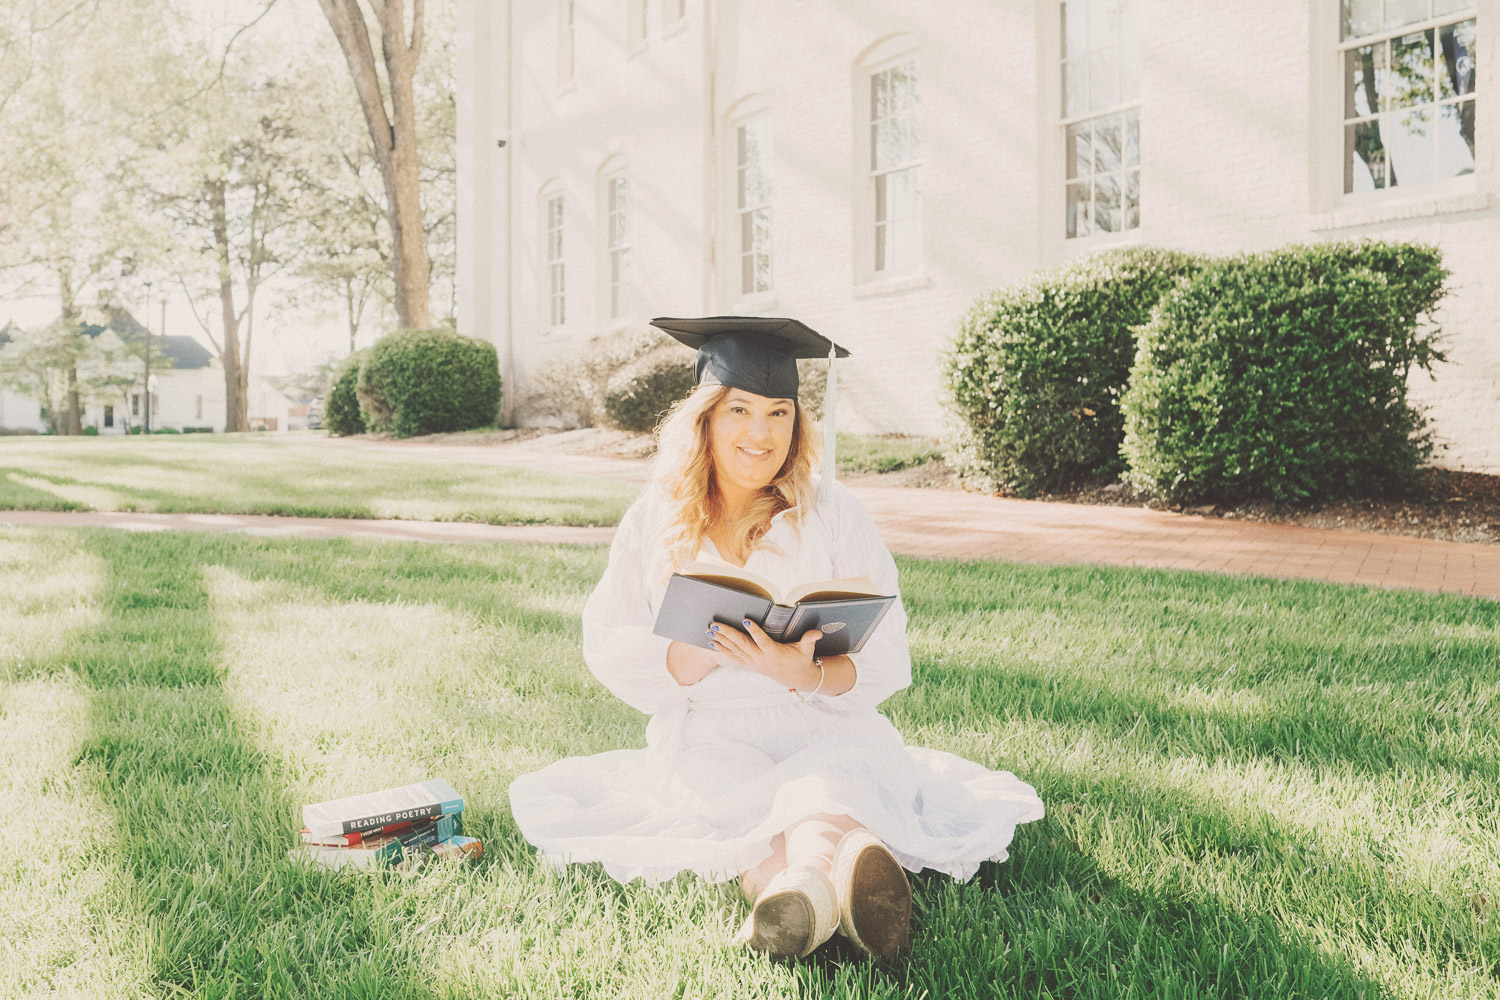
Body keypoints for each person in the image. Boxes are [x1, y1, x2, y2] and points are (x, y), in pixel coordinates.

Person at [508, 316, 1044, 960]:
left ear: (797, 423)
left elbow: (884, 653)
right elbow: (609, 641)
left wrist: (803, 672)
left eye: (778, 412)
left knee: (835, 777)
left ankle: (798, 895)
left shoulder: (833, 511)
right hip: (711, 728)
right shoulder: (655, 516)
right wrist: (692, 649)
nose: (760, 432)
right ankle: (831, 880)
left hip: (820, 716)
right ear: (705, 418)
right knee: (734, 805)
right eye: (739, 409)